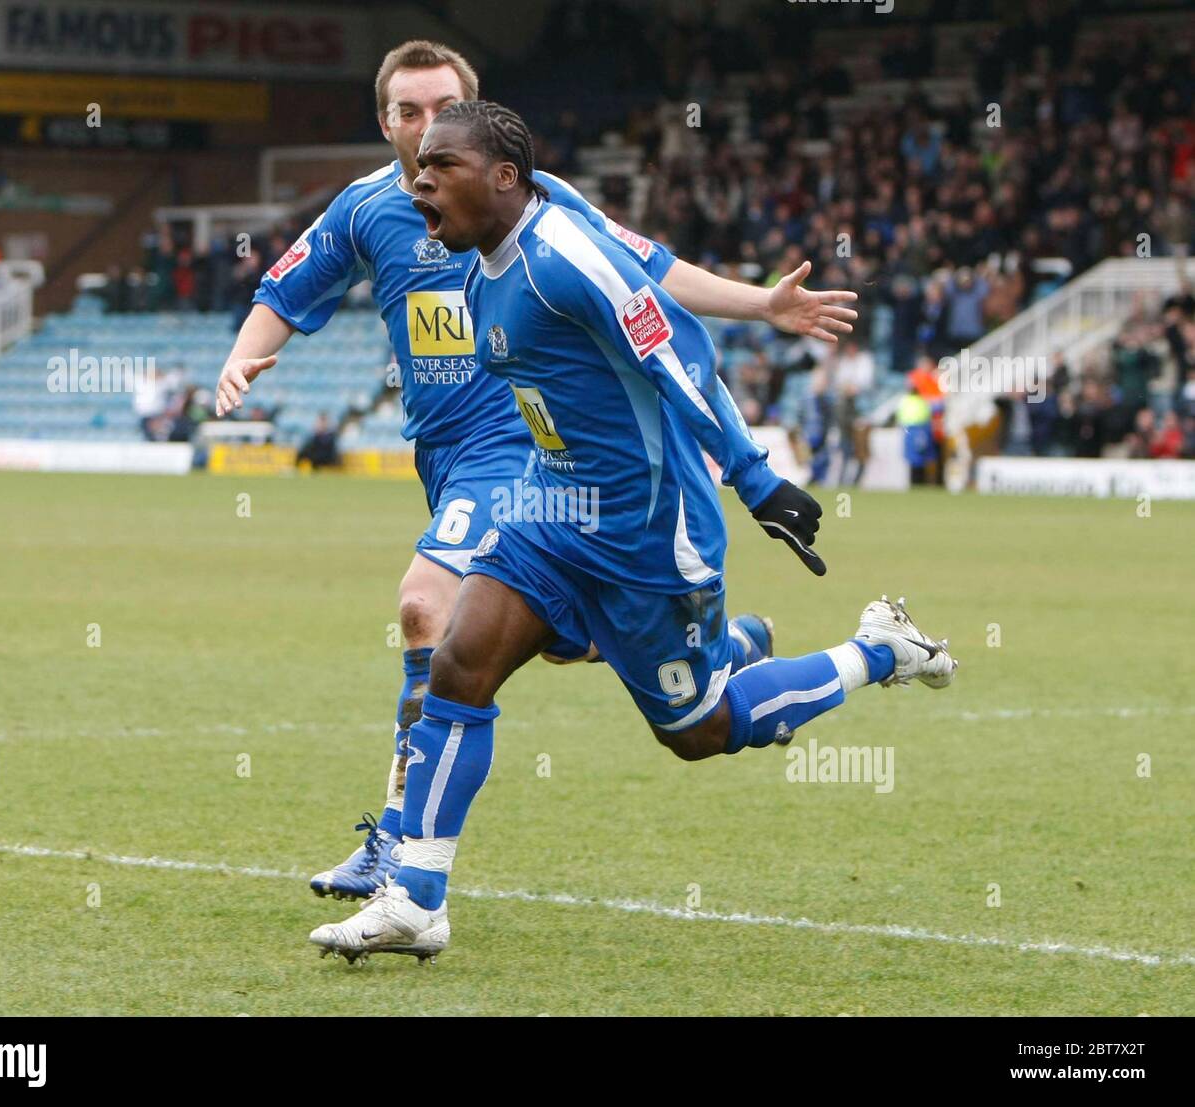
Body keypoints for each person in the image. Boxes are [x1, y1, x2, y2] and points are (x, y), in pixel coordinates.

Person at [308, 101, 955, 962]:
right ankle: (415, 901)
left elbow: (679, 351)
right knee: (459, 665)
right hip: (547, 514)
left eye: (441, 166)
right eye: (417, 165)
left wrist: (756, 478)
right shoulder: (477, 268)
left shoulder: (566, 257)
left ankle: (877, 648)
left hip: (648, 533)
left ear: (506, 177)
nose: (419, 181)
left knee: (698, 730)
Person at [215, 40, 858, 905]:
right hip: (445, 457)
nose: (422, 127)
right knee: (580, 653)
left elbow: (650, 275)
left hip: (525, 453)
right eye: (407, 113)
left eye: (441, 111)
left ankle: (402, 851)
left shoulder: (541, 211)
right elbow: (286, 289)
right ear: (385, 122)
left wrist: (762, 303)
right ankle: (723, 648)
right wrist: (244, 358)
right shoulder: (367, 211)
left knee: (424, 608)